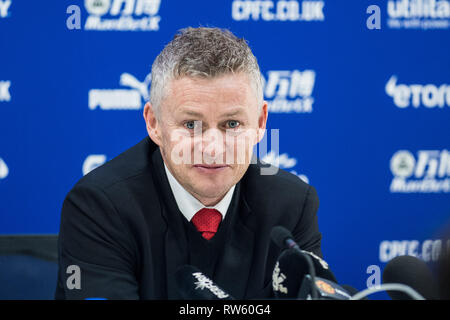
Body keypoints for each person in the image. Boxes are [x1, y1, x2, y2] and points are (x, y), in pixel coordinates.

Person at [55, 27, 323, 299]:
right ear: (154, 123)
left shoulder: (292, 205)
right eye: (191, 125)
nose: (213, 148)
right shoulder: (98, 206)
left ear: (260, 122)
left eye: (232, 124)